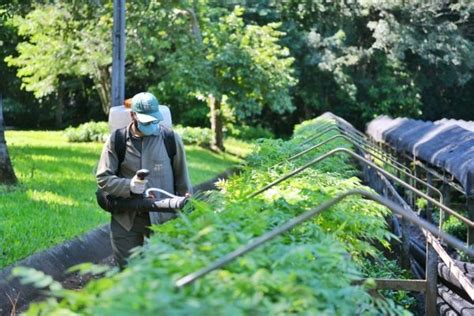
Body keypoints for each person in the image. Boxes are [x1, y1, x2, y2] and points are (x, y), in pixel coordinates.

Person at [96, 92, 192, 268]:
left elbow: (183, 182)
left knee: (160, 273)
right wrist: (129, 186)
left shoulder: (170, 139)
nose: (152, 125)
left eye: (154, 120)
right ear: (133, 115)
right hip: (126, 220)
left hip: (163, 220)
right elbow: (103, 178)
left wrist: (186, 214)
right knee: (128, 273)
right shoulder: (117, 141)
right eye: (146, 121)